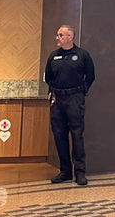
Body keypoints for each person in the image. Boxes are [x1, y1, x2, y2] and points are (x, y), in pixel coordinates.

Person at [45, 24, 95, 186]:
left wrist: (82, 91)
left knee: (77, 135)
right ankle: (65, 172)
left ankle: (79, 172)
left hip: (75, 98)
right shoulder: (53, 56)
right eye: (58, 35)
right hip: (58, 99)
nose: (57, 38)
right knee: (59, 135)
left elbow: (91, 75)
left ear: (70, 37)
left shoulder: (82, 55)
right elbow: (48, 77)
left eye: (60, 35)